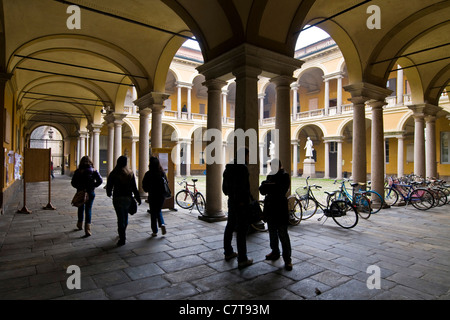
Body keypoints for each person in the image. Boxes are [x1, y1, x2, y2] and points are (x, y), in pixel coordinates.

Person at [259, 158, 293, 271]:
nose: (272, 169)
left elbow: (281, 190)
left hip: (280, 208)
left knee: (283, 233)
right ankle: (275, 252)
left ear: (279, 166)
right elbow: (262, 190)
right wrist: (269, 185)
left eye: (273, 167)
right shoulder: (270, 176)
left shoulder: (284, 176)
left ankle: (287, 259)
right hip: (270, 208)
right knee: (272, 232)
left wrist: (268, 185)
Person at [222, 147, 253, 269]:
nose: (248, 158)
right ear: (244, 156)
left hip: (231, 201)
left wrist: (232, 196)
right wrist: (244, 201)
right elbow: (245, 187)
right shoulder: (242, 168)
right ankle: (242, 259)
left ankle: (228, 252)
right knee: (242, 230)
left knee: (230, 225)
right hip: (241, 203)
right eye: (247, 156)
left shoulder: (228, 167)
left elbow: (225, 188)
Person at [106, 156, 141, 246]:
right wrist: (138, 198)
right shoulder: (130, 173)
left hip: (117, 197)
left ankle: (122, 237)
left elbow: (109, 186)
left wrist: (109, 193)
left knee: (120, 217)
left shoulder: (114, 173)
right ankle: (123, 232)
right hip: (127, 198)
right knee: (125, 216)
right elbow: (134, 187)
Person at [71, 156, 103, 237]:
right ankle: (87, 229)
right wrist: (93, 186)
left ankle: (79, 224)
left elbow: (73, 182)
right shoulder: (93, 171)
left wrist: (79, 187)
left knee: (80, 208)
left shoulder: (78, 171)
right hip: (90, 192)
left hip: (80, 192)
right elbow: (100, 180)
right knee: (88, 209)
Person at [142, 156, 167, 237]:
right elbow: (166, 182)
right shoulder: (162, 173)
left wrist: (147, 189)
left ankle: (155, 231)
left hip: (152, 195)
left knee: (153, 213)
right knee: (158, 210)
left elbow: (144, 185)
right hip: (161, 196)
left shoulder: (148, 174)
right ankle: (162, 223)